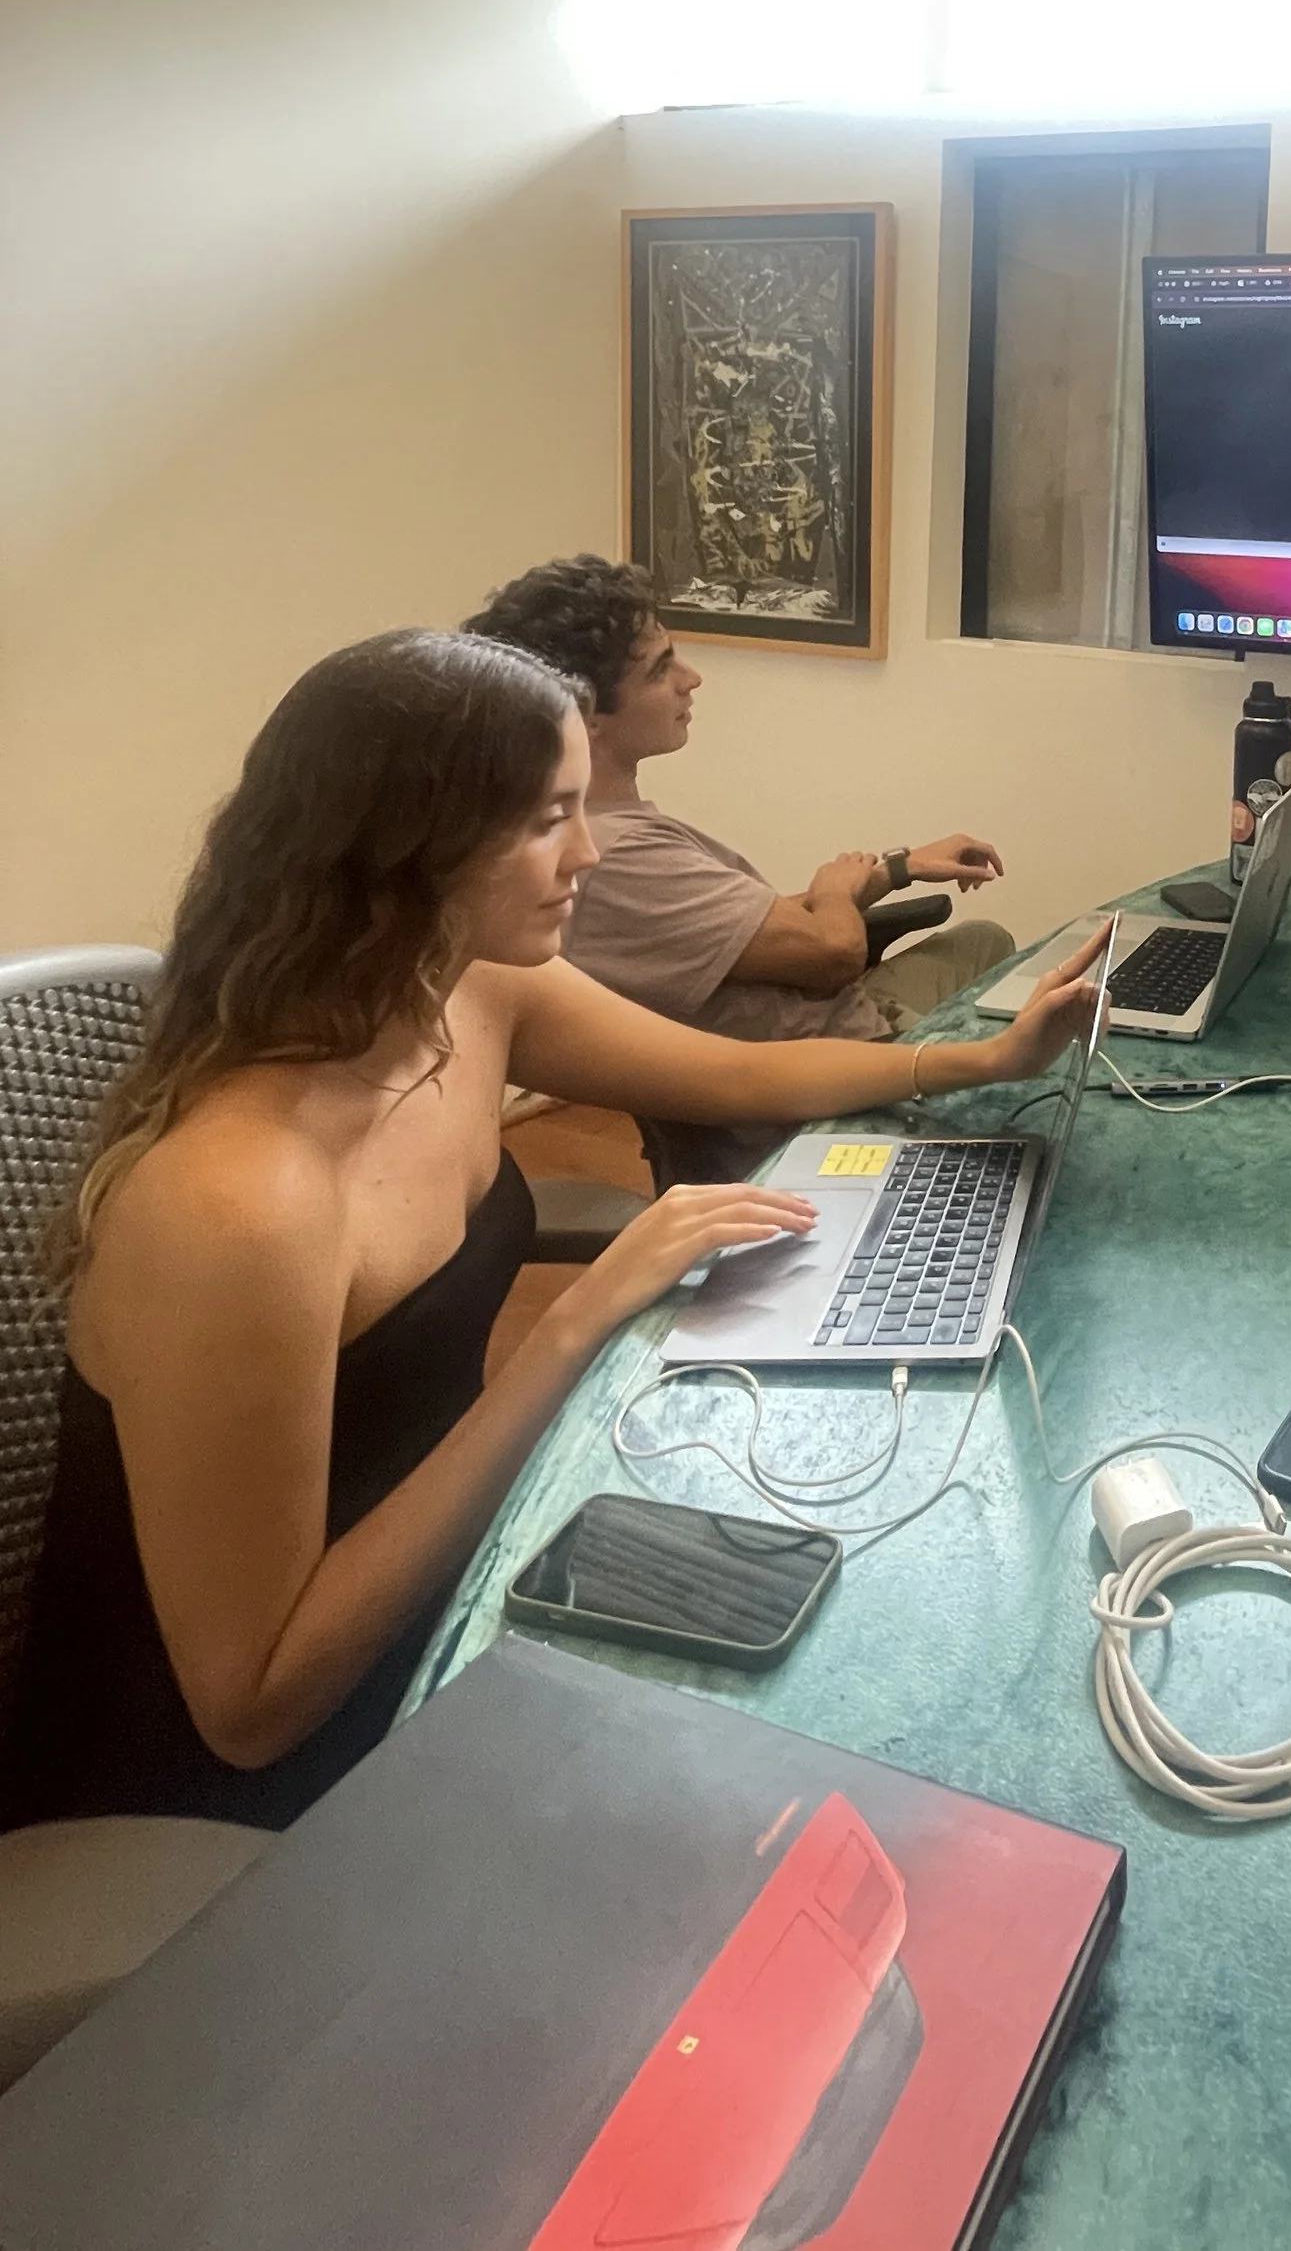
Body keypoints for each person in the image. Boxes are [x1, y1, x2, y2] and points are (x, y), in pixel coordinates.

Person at [3, 630, 1103, 1832]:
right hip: (221, 1799)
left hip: (449, 1594)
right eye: (544, 820)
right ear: (397, 853)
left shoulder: (466, 988)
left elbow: (735, 1076)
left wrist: (976, 1059)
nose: (585, 854)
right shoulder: (240, 1206)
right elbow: (251, 1706)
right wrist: (573, 1326)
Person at [462, 560, 1015, 1088]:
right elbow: (832, 953)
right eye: (661, 670)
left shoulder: (605, 831)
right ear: (588, 717)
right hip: (841, 1066)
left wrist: (899, 869)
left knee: (985, 941)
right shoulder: (617, 853)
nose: (691, 678)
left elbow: (749, 931)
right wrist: (832, 887)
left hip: (835, 1027)